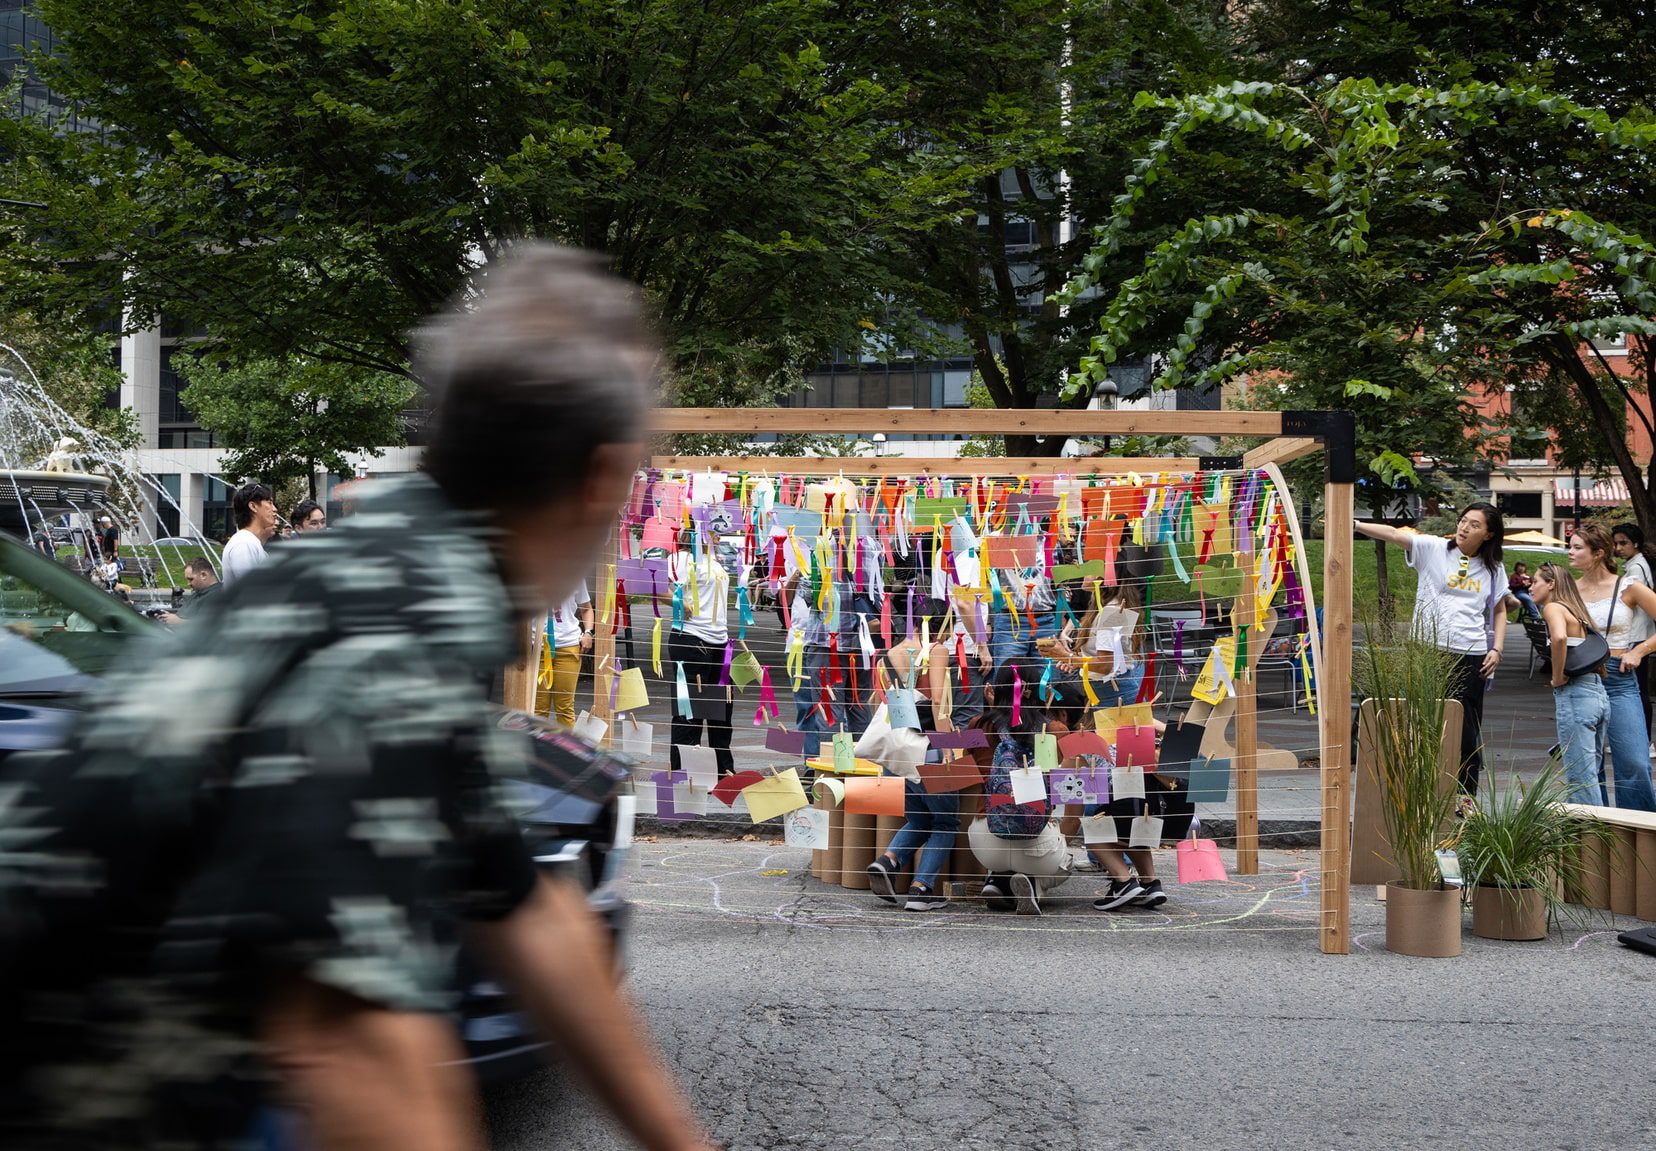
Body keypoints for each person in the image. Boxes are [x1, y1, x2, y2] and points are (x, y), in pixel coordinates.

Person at [0, 245, 717, 1151]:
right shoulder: (405, 624)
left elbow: (526, 903)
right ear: (604, 477)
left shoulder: (396, 563)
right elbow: (349, 1046)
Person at [1356, 504, 1509, 798]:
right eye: (1463, 520)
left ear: (1489, 534)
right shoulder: (1434, 549)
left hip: (1471, 654)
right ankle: (1422, 798)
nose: (1465, 527)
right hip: (1427, 651)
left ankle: (1465, 802)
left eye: (1474, 524)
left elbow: (1500, 609)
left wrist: (1497, 649)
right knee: (1422, 725)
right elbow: (1392, 534)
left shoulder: (1494, 568)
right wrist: (1354, 523)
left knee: (1466, 733)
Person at [865, 602, 960, 912]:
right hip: (928, 746)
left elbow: (892, 702)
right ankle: (921, 889)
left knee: (918, 817)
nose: (951, 636)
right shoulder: (936, 650)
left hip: (898, 749)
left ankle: (888, 860)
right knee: (946, 822)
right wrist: (948, 745)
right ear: (942, 624)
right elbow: (937, 702)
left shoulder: (892, 652)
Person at [967, 664, 1072, 915]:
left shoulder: (978, 725)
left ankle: (997, 879)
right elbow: (1066, 788)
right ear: (1038, 689)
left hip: (986, 841)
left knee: (995, 831)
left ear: (996, 688)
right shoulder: (1055, 731)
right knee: (1066, 863)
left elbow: (968, 772)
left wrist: (994, 712)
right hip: (1038, 843)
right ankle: (1035, 885)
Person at [1566, 524, 1656, 811]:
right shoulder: (1569, 590)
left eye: (1577, 547)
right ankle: (1596, 843)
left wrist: (1640, 650)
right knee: (1586, 770)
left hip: (1620, 680)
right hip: (1581, 681)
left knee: (1635, 763)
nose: (1570, 551)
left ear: (1598, 553)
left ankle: (1640, 840)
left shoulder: (1628, 587)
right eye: (1571, 545)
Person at [1532, 563, 1611, 805]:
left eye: (1536, 581)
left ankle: (1588, 839)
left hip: (1576, 695)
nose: (1530, 586)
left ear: (1551, 584)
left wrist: (1556, 677)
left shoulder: (1553, 607)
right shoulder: (1577, 611)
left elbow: (1559, 637)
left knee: (1581, 779)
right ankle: (1594, 836)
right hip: (1597, 694)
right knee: (1590, 775)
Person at [668, 527, 734, 778]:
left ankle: (723, 769)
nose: (718, 535)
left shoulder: (712, 559)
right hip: (691, 638)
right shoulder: (681, 558)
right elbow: (653, 584)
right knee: (690, 712)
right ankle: (685, 773)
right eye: (713, 530)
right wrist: (678, 602)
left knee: (722, 711)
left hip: (719, 641)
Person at [1611, 522, 1655, 737]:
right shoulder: (1636, 563)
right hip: (1640, 634)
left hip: (1638, 635)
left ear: (1635, 543)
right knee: (1638, 690)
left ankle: (1644, 740)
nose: (1618, 548)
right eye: (1616, 543)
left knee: (1637, 691)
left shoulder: (1636, 567)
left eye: (1623, 543)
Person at [547, 580, 594, 726]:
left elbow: (586, 608)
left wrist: (588, 633)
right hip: (537, 648)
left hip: (568, 646)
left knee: (565, 707)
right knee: (537, 709)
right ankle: (538, 747)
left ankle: (566, 748)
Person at [221, 481, 278, 584]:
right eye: (270, 502)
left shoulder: (250, 542)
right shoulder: (244, 544)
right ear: (253, 506)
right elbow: (252, 590)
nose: (275, 509)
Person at [157, 556, 220, 625]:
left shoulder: (218, 595)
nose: (188, 583)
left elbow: (211, 625)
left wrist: (178, 621)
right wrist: (168, 617)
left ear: (203, 575)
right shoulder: (200, 592)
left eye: (191, 579)